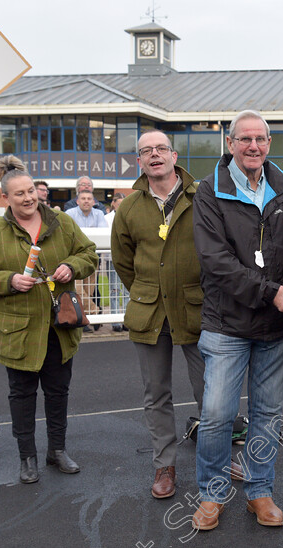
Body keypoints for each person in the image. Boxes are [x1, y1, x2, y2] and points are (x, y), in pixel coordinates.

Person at [191, 110, 283, 531]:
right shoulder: (209, 191)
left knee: (267, 414)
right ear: (230, 143)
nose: (253, 146)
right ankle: (211, 495)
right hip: (227, 325)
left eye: (260, 139)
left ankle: (259, 491)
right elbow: (215, 262)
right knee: (218, 414)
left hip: (276, 328)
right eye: (244, 139)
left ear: (269, 144)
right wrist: (270, 291)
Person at [0, 156, 98, 484]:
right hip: (19, 331)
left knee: (58, 391)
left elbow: (89, 253)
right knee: (21, 394)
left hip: (58, 328)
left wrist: (71, 266)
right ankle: (28, 457)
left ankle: (57, 450)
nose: (28, 198)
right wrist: (8, 280)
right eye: (19, 193)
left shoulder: (61, 223)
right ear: (5, 198)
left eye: (30, 191)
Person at [110, 132, 209, 498]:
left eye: (160, 149)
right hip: (150, 314)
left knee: (211, 392)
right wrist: (148, 290)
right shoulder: (130, 208)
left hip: (197, 310)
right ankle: (164, 466)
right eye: (146, 151)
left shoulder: (204, 197)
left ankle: (215, 459)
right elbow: (123, 261)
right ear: (140, 161)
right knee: (156, 395)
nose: (154, 155)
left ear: (174, 155)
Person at [65, 189, 106, 331]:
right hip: (74, 257)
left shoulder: (99, 214)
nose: (86, 201)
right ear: (77, 201)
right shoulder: (70, 214)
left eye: (89, 198)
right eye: (83, 198)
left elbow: (101, 235)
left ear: (94, 202)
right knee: (78, 290)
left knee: (88, 290)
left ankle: (83, 321)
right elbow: (68, 235)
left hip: (93, 257)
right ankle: (94, 311)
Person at [106, 192, 127, 332]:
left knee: (127, 291)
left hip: (127, 259)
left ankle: (126, 320)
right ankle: (115, 321)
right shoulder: (106, 218)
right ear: (113, 203)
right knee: (114, 290)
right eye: (118, 204)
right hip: (112, 259)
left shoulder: (129, 215)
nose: (120, 206)